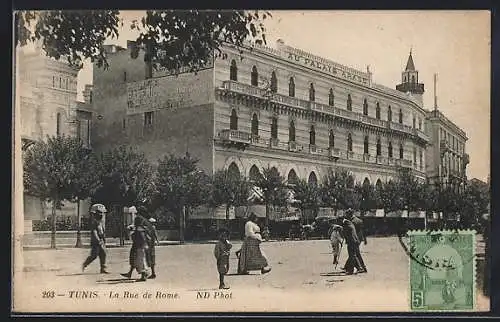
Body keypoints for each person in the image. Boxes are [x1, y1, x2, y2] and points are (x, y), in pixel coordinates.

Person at [82, 204, 109, 274]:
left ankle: (103, 268)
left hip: (101, 240)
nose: (101, 215)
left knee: (103, 254)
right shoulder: (94, 222)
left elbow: (102, 232)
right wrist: (98, 240)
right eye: (100, 213)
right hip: (95, 241)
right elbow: (94, 232)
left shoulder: (101, 222)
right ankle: (85, 264)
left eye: (102, 213)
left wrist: (103, 239)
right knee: (94, 255)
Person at [121, 216, 150, 281]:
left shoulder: (139, 229)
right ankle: (142, 274)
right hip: (140, 247)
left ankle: (144, 275)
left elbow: (140, 238)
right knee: (140, 260)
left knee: (140, 261)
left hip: (139, 247)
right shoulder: (140, 229)